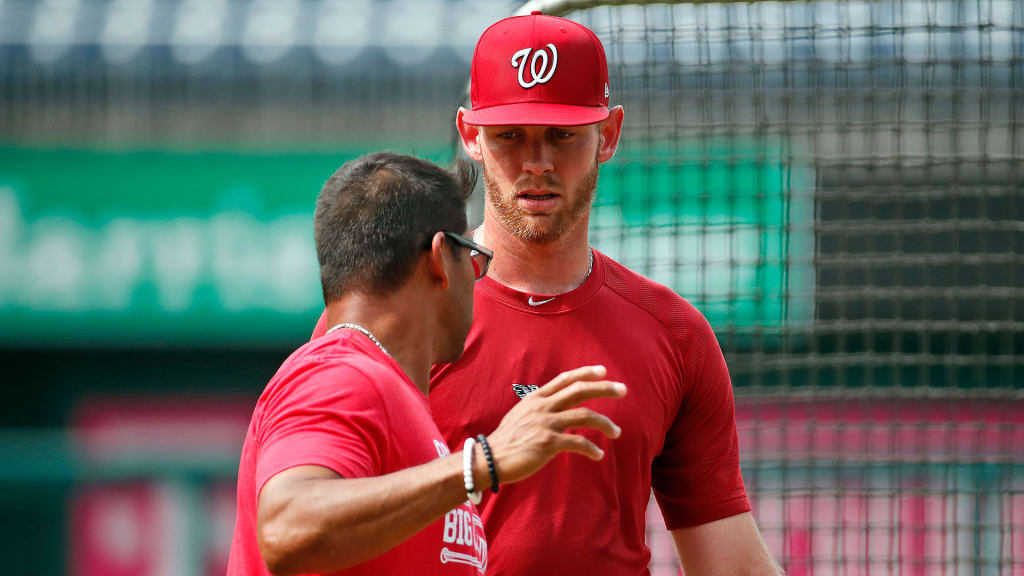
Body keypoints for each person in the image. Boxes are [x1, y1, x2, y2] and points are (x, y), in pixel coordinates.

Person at [313, 13, 781, 575]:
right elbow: (317, 523)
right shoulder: (398, 313)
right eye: (511, 136)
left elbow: (732, 567)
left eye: (562, 135)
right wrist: (479, 464)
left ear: (607, 134)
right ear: (470, 136)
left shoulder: (675, 334)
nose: (537, 162)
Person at [229, 152, 628, 575]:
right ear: (440, 258)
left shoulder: (393, 396)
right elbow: (287, 526)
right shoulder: (341, 374)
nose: (477, 277)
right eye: (472, 256)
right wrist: (480, 463)